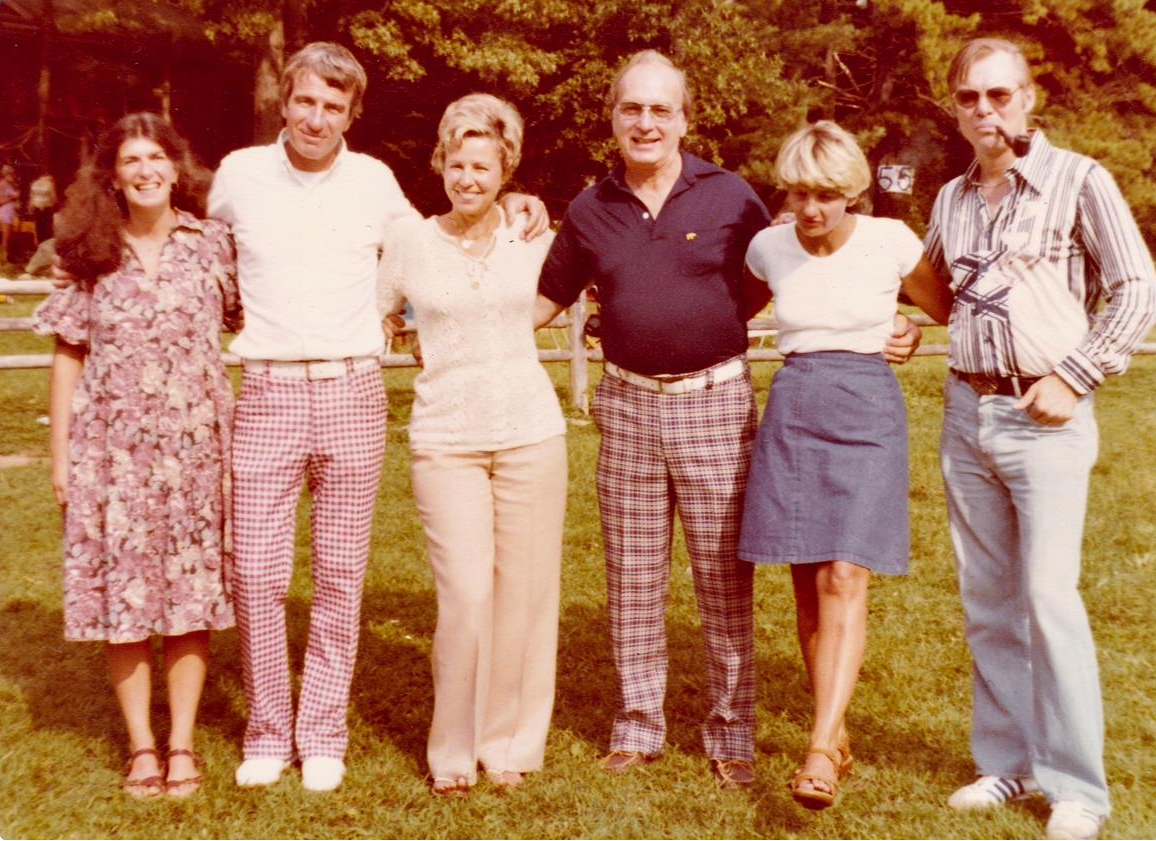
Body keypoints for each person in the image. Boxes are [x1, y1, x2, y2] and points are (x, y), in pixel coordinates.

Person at [534, 50, 921, 789]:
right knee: (633, 572)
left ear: (684, 118)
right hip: (626, 402)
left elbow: (776, 277)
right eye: (631, 109)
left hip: (714, 400)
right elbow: (546, 296)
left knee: (723, 575)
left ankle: (732, 732)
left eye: (661, 109)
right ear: (613, 117)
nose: (645, 122)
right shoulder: (590, 208)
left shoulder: (732, 196)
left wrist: (895, 328)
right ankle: (637, 726)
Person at [207, 41, 548, 793]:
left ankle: (322, 728)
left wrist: (519, 198)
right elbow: (205, 253)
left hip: (353, 392)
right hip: (266, 389)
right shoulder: (237, 177)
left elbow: (447, 226)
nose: (316, 118)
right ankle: (268, 726)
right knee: (257, 574)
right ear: (284, 102)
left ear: (351, 114)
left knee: (338, 573)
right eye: (305, 101)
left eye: (334, 107)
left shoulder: (374, 183)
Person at [924, 38, 1156, 840]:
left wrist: (1076, 374)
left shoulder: (1079, 180)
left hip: (1046, 420)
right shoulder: (951, 199)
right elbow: (939, 291)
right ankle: (1008, 762)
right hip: (968, 414)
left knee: (1050, 598)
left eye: (1000, 95)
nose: (985, 112)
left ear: (1029, 97)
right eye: (969, 98)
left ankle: (1076, 788)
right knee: (988, 600)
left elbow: (1138, 291)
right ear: (954, 107)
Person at [736, 121, 951, 809]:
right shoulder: (767, 247)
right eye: (800, 192)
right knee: (808, 582)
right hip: (796, 404)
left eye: (827, 194)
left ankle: (820, 748)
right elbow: (725, 308)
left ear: (853, 191)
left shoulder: (890, 240)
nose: (812, 209)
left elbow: (942, 305)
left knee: (845, 570)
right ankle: (836, 726)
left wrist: (912, 326)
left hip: (866, 409)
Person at [34, 112, 239, 800]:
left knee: (187, 597)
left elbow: (253, 316)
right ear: (113, 176)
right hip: (111, 454)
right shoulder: (91, 251)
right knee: (122, 598)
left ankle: (181, 742)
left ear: (177, 166)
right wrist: (60, 457)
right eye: (131, 160)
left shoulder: (213, 245)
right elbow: (67, 356)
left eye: (157, 156)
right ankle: (141, 748)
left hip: (195, 453)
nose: (146, 169)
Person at [377, 93, 567, 798]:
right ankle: (452, 751)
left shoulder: (532, 235)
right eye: (456, 164)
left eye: (482, 166)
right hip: (446, 439)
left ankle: (510, 742)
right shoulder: (409, 242)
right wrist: (399, 329)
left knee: (523, 593)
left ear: (505, 170)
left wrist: (535, 206)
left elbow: (577, 284)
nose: (467, 178)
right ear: (441, 166)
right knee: (463, 595)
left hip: (531, 434)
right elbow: (377, 314)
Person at [0, 163, 20, 262]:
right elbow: (1, 201)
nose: (12, 176)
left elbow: (17, 198)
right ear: (5, 174)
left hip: (14, 211)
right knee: (6, 236)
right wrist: (12, 197)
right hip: (5, 211)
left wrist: (18, 201)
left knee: (14, 235)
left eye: (13, 174)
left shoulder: (14, 184)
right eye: (10, 174)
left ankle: (12, 256)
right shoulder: (0, 185)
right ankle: (4, 258)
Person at [29, 172, 57, 243]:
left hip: (37, 208)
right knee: (48, 231)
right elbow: (54, 198)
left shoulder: (34, 184)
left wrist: (31, 207)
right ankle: (47, 248)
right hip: (46, 209)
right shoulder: (49, 184)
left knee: (38, 230)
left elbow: (31, 198)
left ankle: (39, 247)